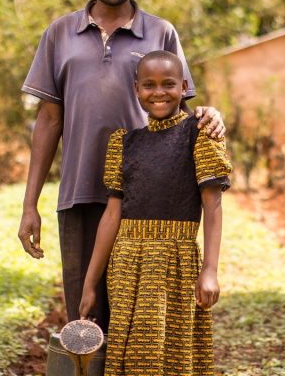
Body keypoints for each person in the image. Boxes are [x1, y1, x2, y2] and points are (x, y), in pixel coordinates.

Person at [19, 0, 226, 330]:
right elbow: (48, 120)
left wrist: (210, 113)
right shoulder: (59, 34)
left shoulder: (161, 32)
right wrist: (30, 205)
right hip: (79, 194)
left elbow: (177, 105)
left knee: (139, 317)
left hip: (146, 201)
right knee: (86, 314)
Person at [78, 50, 231, 375]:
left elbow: (213, 206)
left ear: (184, 86)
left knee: (172, 354)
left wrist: (210, 270)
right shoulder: (124, 143)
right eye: (149, 84)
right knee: (132, 354)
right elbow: (111, 216)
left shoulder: (199, 135)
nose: (158, 92)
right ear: (136, 89)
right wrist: (91, 283)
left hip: (174, 264)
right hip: (127, 264)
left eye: (168, 84)